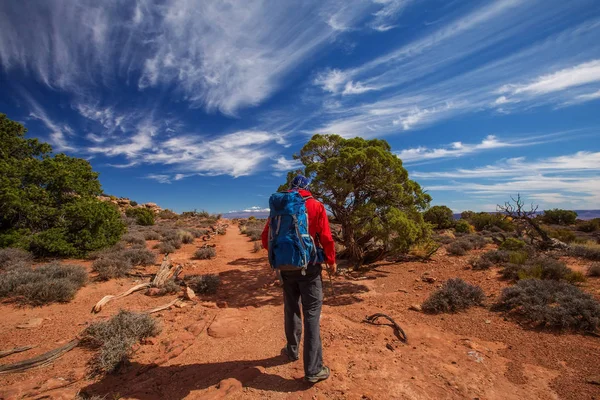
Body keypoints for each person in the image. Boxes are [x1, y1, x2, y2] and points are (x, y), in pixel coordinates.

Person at [261, 174, 336, 383]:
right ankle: (313, 370)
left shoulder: (281, 206)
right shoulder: (315, 205)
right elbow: (327, 237)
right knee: (312, 314)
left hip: (286, 268)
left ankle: (292, 350)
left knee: (291, 308)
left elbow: (265, 238)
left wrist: (283, 257)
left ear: (291, 187)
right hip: (310, 268)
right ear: (307, 187)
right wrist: (331, 260)